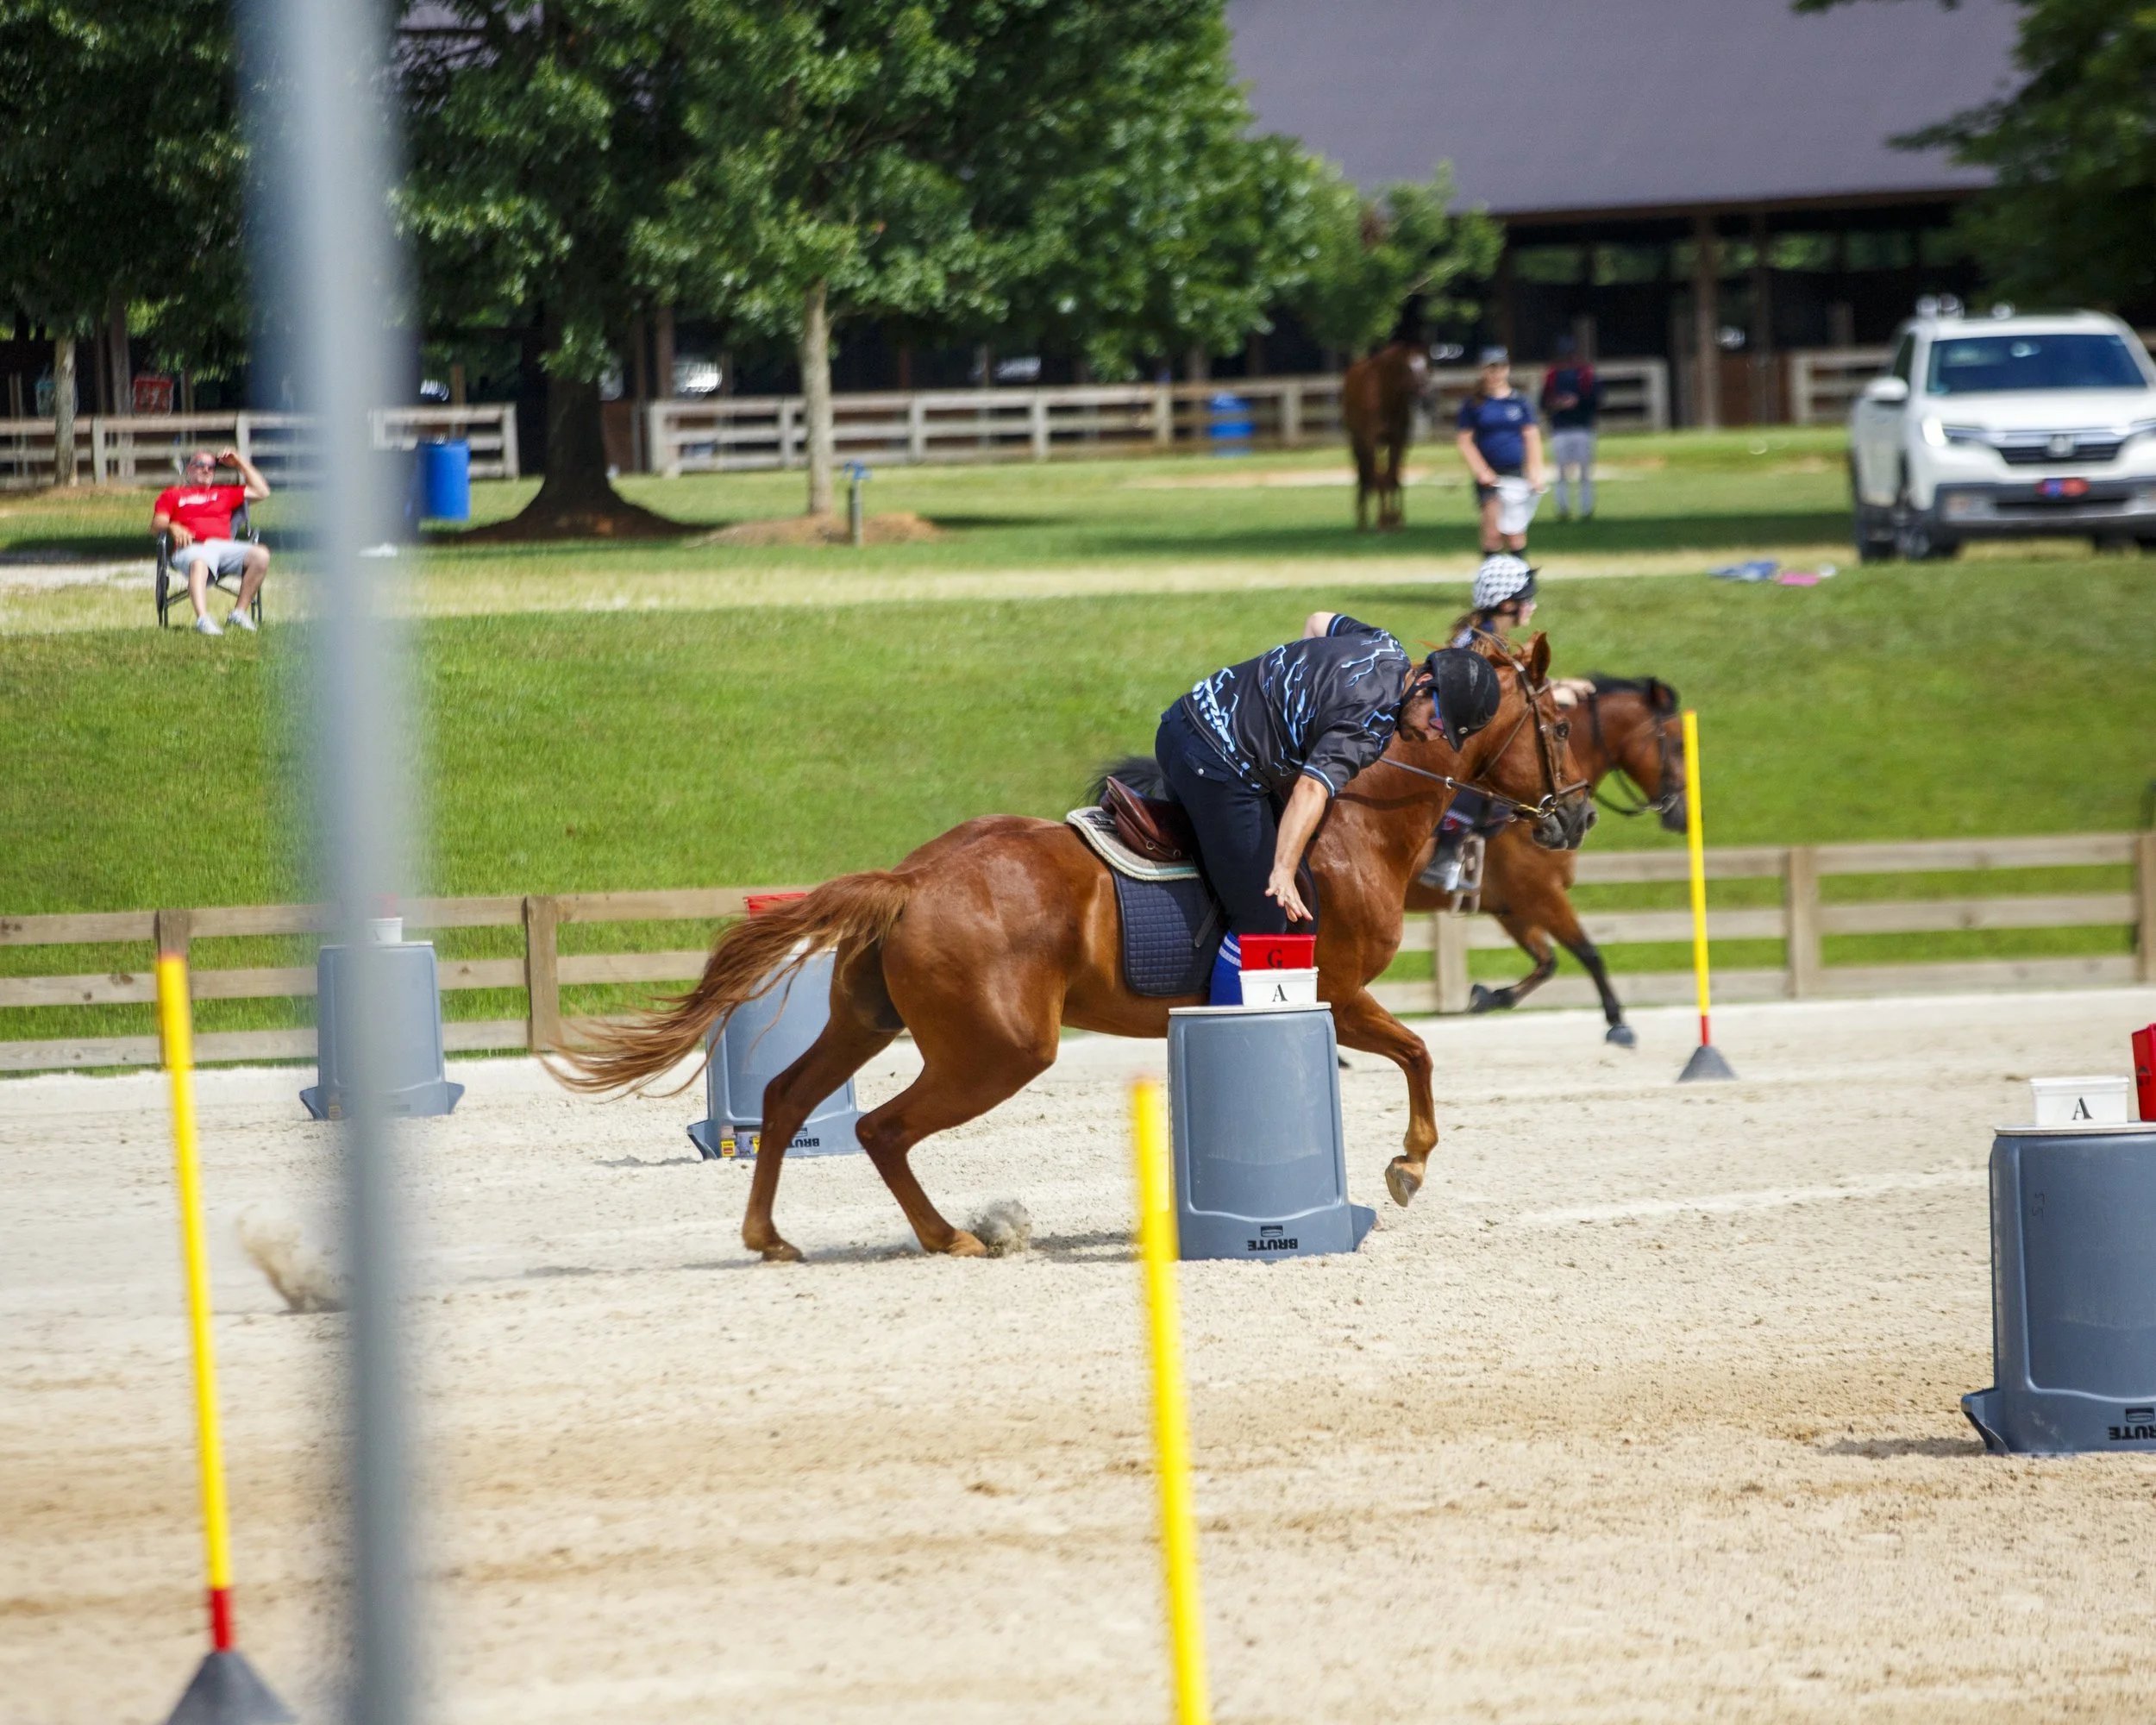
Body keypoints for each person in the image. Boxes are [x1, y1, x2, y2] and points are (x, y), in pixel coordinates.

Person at [1157, 615, 1503, 1004]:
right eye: (1437, 720)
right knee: (1265, 917)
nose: (1431, 734)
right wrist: (1282, 871)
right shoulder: (1368, 727)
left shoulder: (1384, 644)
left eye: (1445, 735)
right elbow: (1309, 789)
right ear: (1424, 683)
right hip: (1215, 766)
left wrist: (1294, 694)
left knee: (1283, 883)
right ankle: (1226, 1035)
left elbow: (1317, 622)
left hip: (1181, 719)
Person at [1422, 554, 1540, 892]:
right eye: (1526, 599)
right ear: (1507, 605)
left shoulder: (1486, 637)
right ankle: (1444, 856)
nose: (1532, 606)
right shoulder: (1485, 644)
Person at [153, 448, 272, 636]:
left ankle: (238, 614)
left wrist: (239, 462)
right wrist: (173, 526)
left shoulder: (224, 493)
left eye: (211, 467)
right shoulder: (173, 495)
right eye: (200, 465)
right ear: (189, 469)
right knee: (200, 560)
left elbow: (262, 491)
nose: (206, 469)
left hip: (223, 547)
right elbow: (156, 524)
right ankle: (203, 619)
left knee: (261, 555)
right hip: (191, 548)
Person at [1455, 346, 1545, 554]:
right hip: (1490, 474)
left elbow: (1531, 437)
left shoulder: (1519, 402)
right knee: (1492, 531)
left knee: (1515, 533)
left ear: (1507, 369)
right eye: (1491, 368)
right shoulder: (1475, 403)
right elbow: (1465, 441)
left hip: (1514, 471)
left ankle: (1520, 572)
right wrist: (1481, 471)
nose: (1495, 373)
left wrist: (1535, 472)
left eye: (1500, 368)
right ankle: (1491, 571)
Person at [1539, 335, 1601, 521]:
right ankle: (1563, 508)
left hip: (1582, 427)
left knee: (1584, 472)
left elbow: (1596, 399)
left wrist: (1577, 401)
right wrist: (1557, 403)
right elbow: (1543, 402)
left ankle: (1586, 508)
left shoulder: (1585, 374)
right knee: (1561, 472)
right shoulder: (1553, 375)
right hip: (1560, 428)